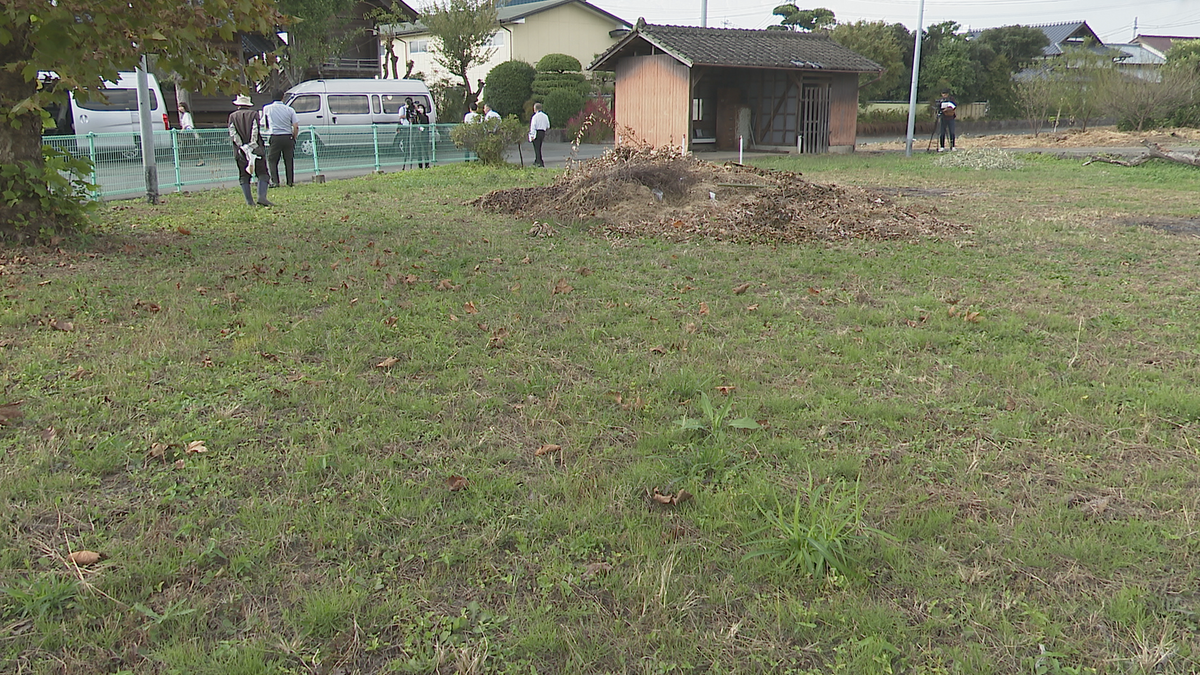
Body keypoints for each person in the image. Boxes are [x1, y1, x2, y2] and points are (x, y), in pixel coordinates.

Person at [228, 94, 272, 207]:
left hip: (240, 151)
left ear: (238, 105)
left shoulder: (232, 116)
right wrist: (252, 145)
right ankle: (262, 197)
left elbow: (233, 133)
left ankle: (249, 201)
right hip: (256, 149)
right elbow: (255, 130)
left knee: (244, 176)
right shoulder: (253, 114)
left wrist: (242, 146)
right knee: (262, 173)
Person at [262, 90, 299, 187]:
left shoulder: (267, 108)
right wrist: (294, 137)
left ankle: (275, 181)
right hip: (287, 136)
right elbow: (295, 126)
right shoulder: (290, 109)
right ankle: (290, 181)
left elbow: (265, 124)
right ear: (283, 97)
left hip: (275, 136)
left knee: (272, 160)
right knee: (288, 160)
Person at [177, 102, 203, 166]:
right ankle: (178, 160)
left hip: (189, 132)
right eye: (179, 107)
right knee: (184, 146)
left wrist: (183, 129)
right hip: (186, 132)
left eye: (181, 107)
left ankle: (201, 160)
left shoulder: (187, 114)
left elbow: (188, 124)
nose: (180, 108)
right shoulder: (183, 115)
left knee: (190, 146)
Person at [528, 102, 550, 168]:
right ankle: (538, 160)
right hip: (542, 132)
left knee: (536, 148)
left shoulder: (535, 117)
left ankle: (539, 162)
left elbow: (533, 126)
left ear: (535, 109)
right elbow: (548, 125)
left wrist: (532, 135)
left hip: (536, 132)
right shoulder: (545, 116)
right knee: (539, 147)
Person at [411, 103, 432, 169]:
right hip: (417, 137)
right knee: (418, 151)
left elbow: (424, 122)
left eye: (421, 108)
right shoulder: (416, 117)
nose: (420, 110)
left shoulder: (426, 117)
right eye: (419, 108)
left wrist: (418, 112)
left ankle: (427, 164)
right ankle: (420, 165)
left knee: (425, 151)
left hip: (424, 136)